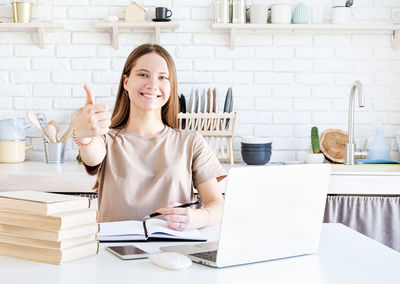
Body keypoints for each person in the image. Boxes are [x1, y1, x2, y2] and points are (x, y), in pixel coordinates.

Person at [72, 44, 226, 231]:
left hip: (173, 250)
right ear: (126, 82)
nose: (152, 85)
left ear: (171, 86)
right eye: (143, 74)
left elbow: (217, 205)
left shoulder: (191, 142)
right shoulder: (107, 139)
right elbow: (91, 153)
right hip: (113, 254)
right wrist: (84, 134)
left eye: (162, 77)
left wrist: (194, 218)